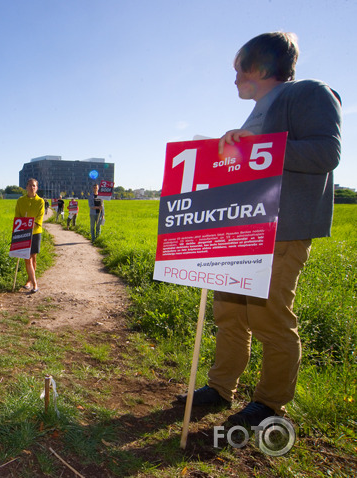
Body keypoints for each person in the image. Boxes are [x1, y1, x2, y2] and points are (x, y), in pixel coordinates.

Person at [177, 32, 342, 428]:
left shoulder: (310, 93)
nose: (233, 78)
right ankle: (220, 388)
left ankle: (269, 404)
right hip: (243, 229)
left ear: (259, 67)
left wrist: (260, 145)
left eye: (238, 69)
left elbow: (326, 153)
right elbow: (254, 161)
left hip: (281, 230)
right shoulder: (258, 110)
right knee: (228, 313)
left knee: (270, 318)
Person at [15, 178, 45, 293]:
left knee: (33, 258)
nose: (32, 187)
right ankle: (34, 284)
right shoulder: (20, 201)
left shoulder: (40, 201)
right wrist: (21, 226)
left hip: (36, 232)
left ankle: (29, 280)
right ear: (26, 187)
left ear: (36, 188)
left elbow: (40, 217)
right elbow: (17, 216)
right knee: (27, 258)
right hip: (23, 232)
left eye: (34, 186)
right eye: (30, 185)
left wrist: (30, 224)